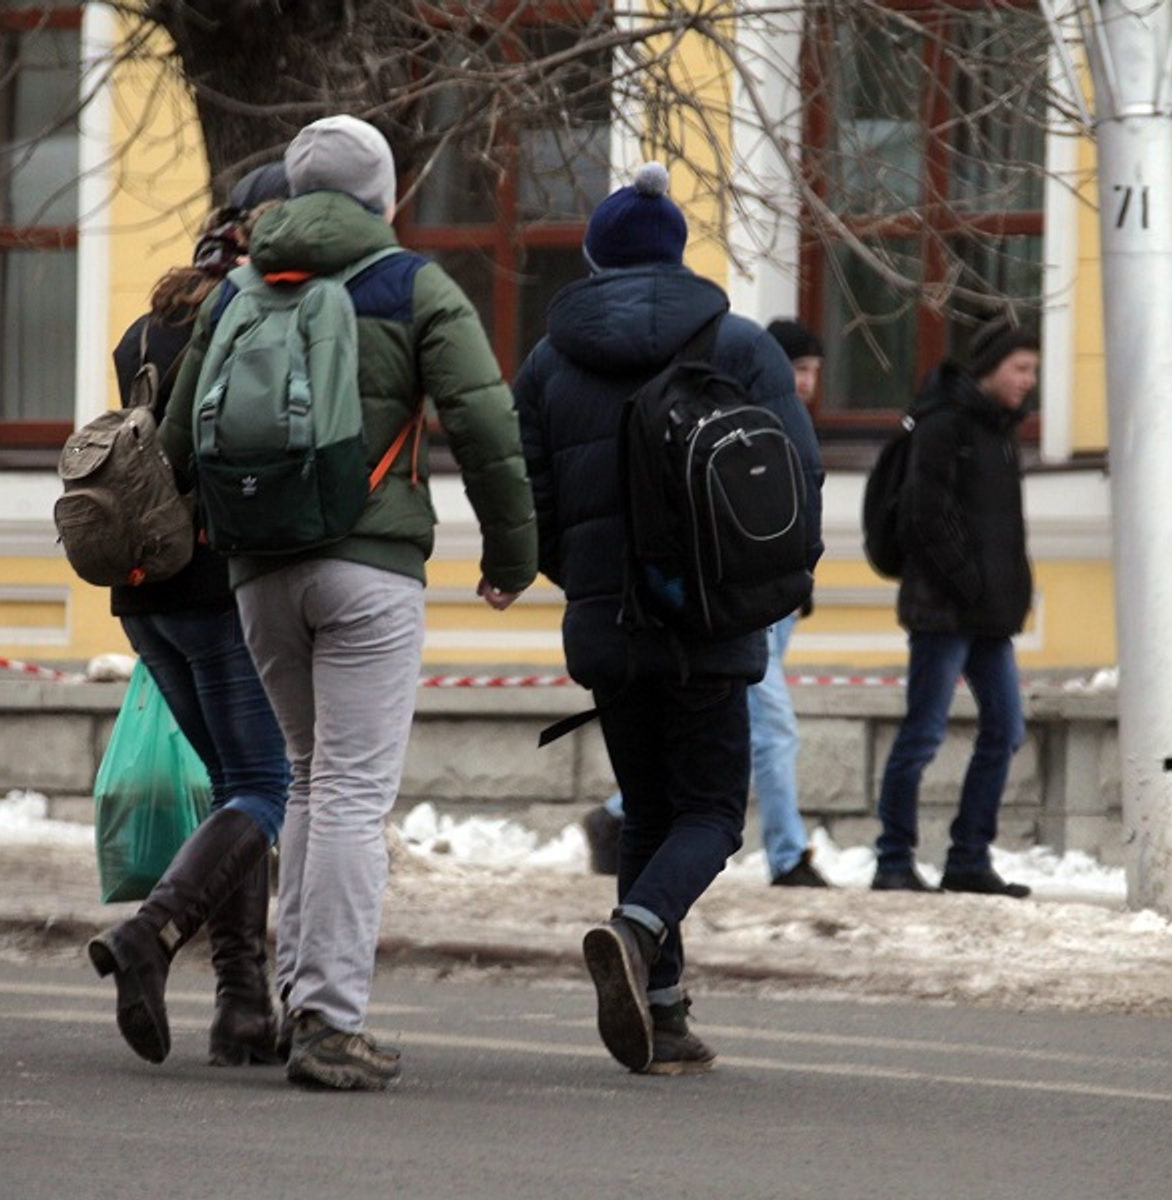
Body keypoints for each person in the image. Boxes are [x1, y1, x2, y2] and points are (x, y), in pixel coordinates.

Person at [159, 115, 538, 1091]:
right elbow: (484, 421)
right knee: (354, 794)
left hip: (256, 572)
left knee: (306, 778)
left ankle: (299, 1001)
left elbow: (173, 444)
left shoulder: (238, 285)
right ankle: (329, 1019)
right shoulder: (409, 282)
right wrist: (511, 553)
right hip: (367, 566)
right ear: (385, 194)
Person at [515, 162, 824, 1074]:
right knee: (713, 814)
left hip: (606, 620)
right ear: (677, 253)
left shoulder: (546, 362)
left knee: (649, 808)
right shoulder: (740, 348)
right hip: (711, 617)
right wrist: (763, 583)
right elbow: (796, 479)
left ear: (595, 257)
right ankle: (637, 929)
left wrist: (586, 577)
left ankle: (665, 1012)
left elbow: (534, 505)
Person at [87, 163, 294, 1071]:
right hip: (215, 586)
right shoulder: (251, 315)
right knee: (265, 786)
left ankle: (243, 1006)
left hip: (142, 594)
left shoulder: (146, 326)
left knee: (234, 788)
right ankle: (153, 933)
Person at [581, 317, 830, 890]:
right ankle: (788, 855)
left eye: (815, 371)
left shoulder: (760, 416)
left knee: (739, 731)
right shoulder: (743, 415)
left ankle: (615, 816)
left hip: (767, 599)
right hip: (743, 601)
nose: (808, 383)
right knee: (772, 729)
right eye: (799, 369)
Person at [871, 318, 1038, 898]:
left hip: (987, 615)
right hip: (942, 611)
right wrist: (968, 583)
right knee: (923, 733)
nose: (1028, 381)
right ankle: (893, 860)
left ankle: (968, 857)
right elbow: (924, 515)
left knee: (1006, 729)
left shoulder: (1001, 431)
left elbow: (1001, 531)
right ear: (990, 368)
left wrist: (1007, 595)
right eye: (1021, 369)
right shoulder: (945, 424)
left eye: (1034, 371)